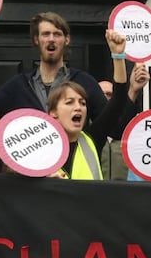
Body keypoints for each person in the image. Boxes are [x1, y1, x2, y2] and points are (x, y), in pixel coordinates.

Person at [47, 29, 127, 180]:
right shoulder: (38, 147)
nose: (78, 107)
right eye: (69, 102)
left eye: (82, 103)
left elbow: (118, 100)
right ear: (53, 112)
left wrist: (118, 56)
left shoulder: (92, 138)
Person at [99, 63, 150, 180]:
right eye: (101, 94)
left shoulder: (132, 131)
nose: (106, 98)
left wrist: (133, 90)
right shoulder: (84, 130)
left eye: (110, 95)